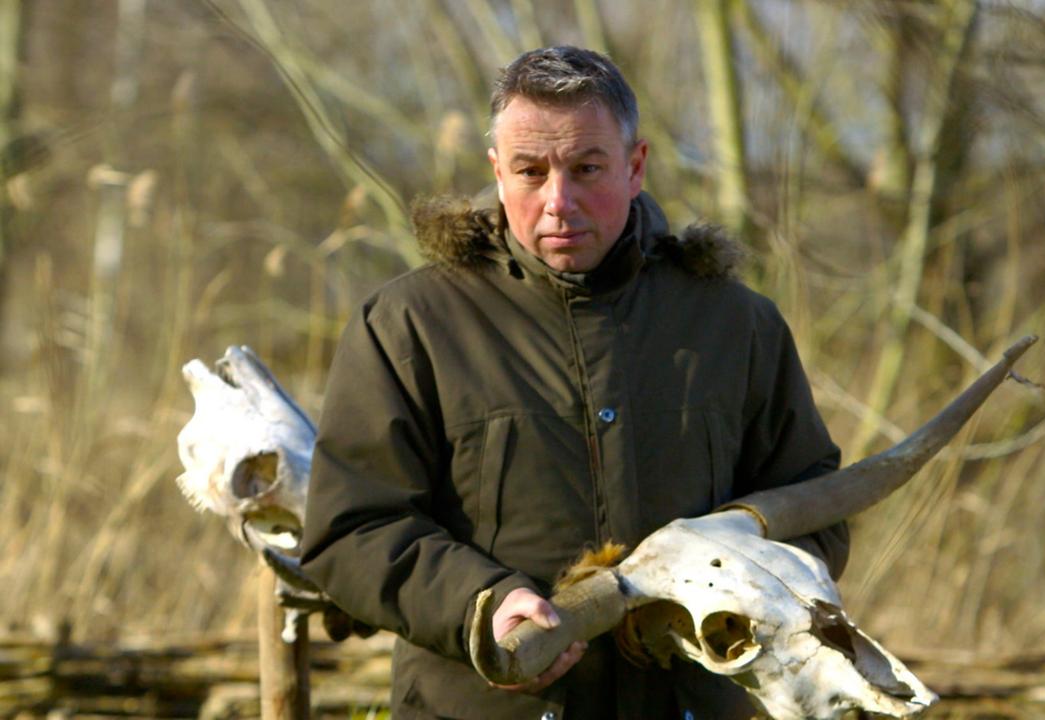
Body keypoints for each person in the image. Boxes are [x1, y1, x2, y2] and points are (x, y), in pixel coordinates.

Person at [300, 46, 849, 720]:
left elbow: (816, 509)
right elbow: (352, 529)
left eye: (587, 169)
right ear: (497, 173)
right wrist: (481, 607)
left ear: (635, 166)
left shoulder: (735, 323)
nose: (559, 201)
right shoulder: (410, 325)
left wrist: (722, 595)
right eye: (530, 172)